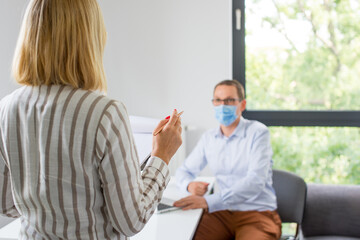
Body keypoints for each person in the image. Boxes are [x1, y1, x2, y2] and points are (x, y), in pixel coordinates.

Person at [0, 0, 182, 239]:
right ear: (90, 38)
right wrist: (162, 155)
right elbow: (131, 220)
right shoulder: (105, 112)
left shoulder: (6, 108)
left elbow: (6, 204)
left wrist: (49, 207)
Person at [174, 80, 281, 240]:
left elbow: (255, 181)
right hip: (221, 214)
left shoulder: (258, 132)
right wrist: (189, 185)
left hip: (256, 213)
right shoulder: (209, 138)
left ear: (242, 105)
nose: (223, 105)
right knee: (186, 235)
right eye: (218, 100)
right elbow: (183, 171)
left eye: (230, 100)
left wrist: (209, 201)